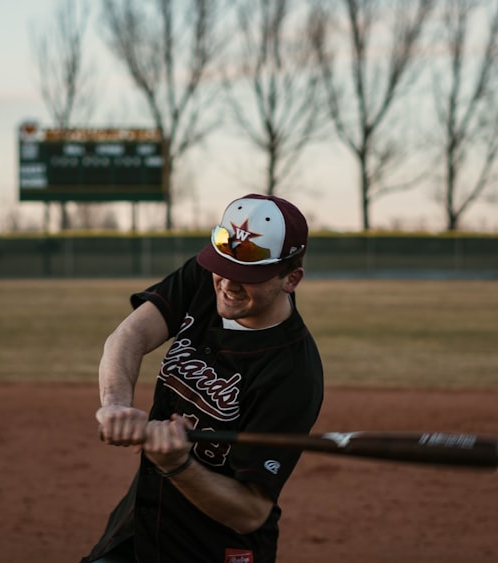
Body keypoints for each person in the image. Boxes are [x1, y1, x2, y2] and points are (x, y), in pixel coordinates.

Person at [81, 194, 325, 563]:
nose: (227, 284)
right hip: (139, 527)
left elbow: (251, 512)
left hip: (212, 549)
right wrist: (115, 405)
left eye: (247, 277)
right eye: (222, 268)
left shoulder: (294, 374)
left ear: (291, 278)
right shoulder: (204, 277)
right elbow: (128, 338)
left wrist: (177, 464)